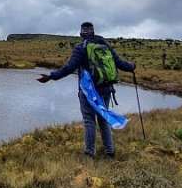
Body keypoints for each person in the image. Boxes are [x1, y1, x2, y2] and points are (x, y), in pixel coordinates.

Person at [37, 22, 135, 158]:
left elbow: (68, 68)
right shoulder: (105, 45)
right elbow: (119, 63)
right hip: (106, 88)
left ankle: (89, 153)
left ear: (81, 34)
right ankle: (110, 151)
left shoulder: (80, 48)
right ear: (93, 32)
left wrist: (51, 76)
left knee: (89, 121)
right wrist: (131, 66)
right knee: (103, 118)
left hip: (88, 92)